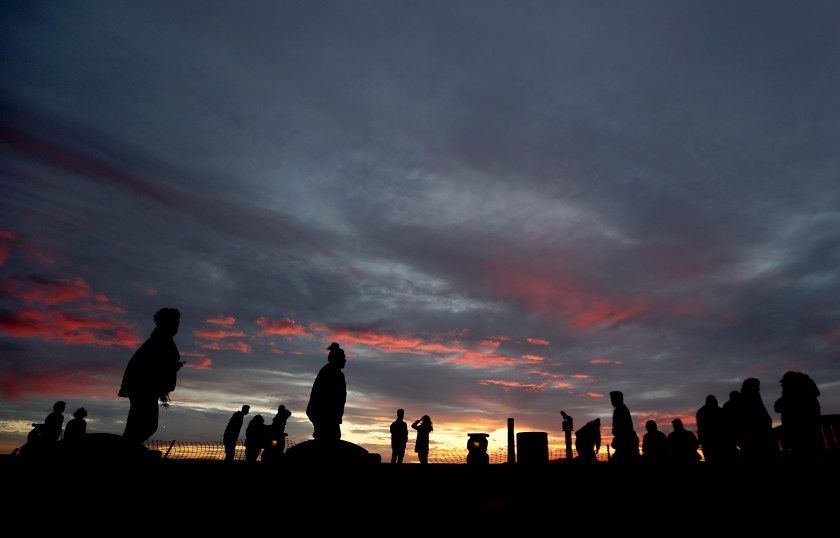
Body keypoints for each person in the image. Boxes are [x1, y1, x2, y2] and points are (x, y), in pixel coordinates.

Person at [118, 307, 185, 446]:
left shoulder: (159, 339)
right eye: (175, 322)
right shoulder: (160, 340)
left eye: (177, 323)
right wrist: (172, 369)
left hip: (144, 388)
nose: (177, 326)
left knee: (143, 425)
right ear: (166, 323)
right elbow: (154, 366)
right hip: (144, 388)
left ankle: (128, 447)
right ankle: (126, 449)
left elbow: (158, 366)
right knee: (146, 425)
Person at [774, 371, 824, 461]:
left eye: (784, 385)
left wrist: (785, 395)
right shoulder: (811, 397)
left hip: (797, 439)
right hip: (815, 438)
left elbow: (777, 408)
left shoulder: (790, 398)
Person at [306, 342, 347, 442]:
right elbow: (329, 398)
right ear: (337, 358)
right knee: (328, 440)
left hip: (328, 416)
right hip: (325, 416)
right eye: (343, 358)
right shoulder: (331, 372)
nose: (345, 360)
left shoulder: (333, 372)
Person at [737, 377, 776, 463]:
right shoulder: (745, 401)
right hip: (754, 440)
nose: (758, 389)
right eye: (757, 387)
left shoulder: (753, 398)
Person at [609, 391, 639, 463]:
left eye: (613, 399)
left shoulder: (620, 410)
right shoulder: (621, 409)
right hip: (625, 441)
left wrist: (617, 434)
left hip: (625, 441)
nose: (611, 401)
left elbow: (622, 427)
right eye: (611, 399)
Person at [696, 394, 726, 463]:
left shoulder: (701, 412)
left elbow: (700, 427)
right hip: (716, 440)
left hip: (708, 440)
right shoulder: (720, 411)